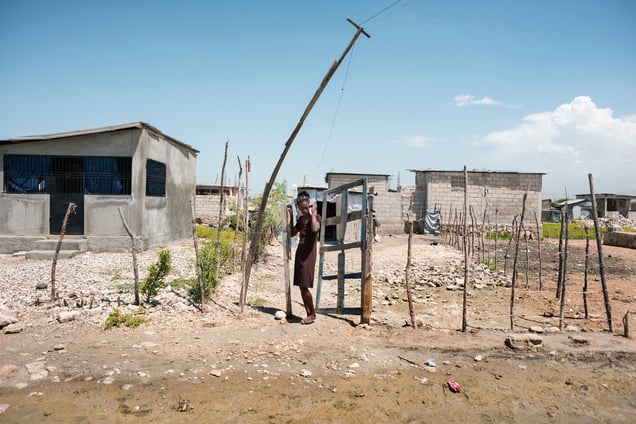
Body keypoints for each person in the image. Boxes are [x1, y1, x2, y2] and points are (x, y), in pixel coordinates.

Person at [288, 191, 321, 325]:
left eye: (306, 207)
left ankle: (312, 314)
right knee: (301, 286)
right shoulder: (301, 220)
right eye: (301, 208)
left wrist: (312, 214)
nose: (303, 209)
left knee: (305, 285)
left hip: (309, 255)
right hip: (300, 254)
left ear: (309, 205)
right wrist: (291, 217)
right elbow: (291, 233)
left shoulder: (316, 217)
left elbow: (314, 230)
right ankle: (308, 314)